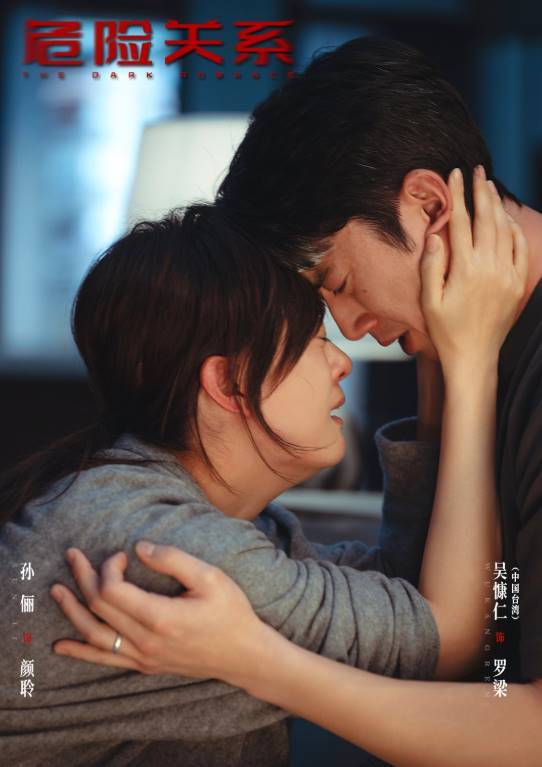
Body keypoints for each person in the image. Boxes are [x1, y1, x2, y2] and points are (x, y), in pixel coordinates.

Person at [45, 171, 527, 767]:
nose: (342, 361)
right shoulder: (160, 548)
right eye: (313, 341)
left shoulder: (207, 518)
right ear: (227, 383)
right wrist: (471, 360)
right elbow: (447, 639)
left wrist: (429, 340)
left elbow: (407, 591)